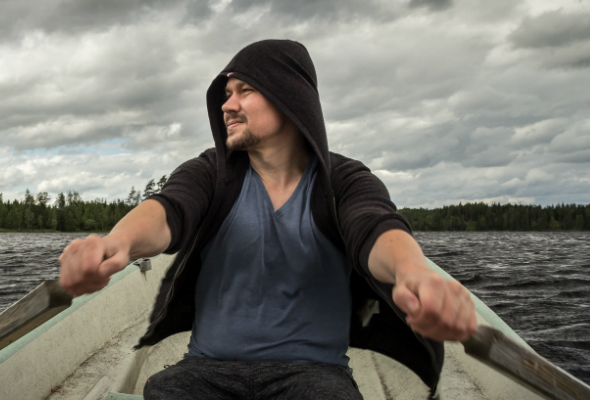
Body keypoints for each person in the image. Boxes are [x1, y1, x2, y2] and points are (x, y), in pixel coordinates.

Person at [58, 40, 477, 399]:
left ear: (289, 96)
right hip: (205, 370)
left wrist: (413, 272)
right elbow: (170, 209)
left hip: (313, 375)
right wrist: (118, 243)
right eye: (226, 93)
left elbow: (375, 227)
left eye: (245, 90)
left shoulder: (343, 181)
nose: (227, 105)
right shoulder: (212, 173)